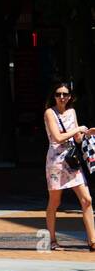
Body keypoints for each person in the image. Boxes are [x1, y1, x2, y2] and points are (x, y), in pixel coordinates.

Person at [43, 83, 95, 251]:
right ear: (54, 96)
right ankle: (52, 240)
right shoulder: (50, 113)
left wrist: (86, 133)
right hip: (56, 162)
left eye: (65, 94)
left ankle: (92, 241)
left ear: (70, 96)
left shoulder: (72, 112)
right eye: (58, 94)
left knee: (87, 200)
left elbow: (77, 138)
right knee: (55, 202)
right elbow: (57, 137)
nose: (62, 97)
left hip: (71, 161)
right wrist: (77, 130)